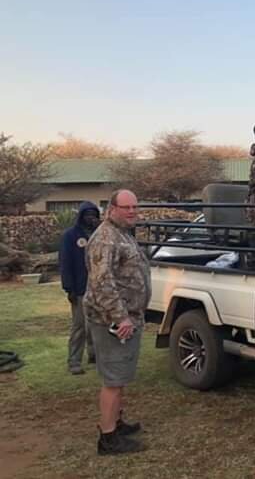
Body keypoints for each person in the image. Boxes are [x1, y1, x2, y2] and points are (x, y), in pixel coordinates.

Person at [84, 189, 150, 455]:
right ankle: (108, 438)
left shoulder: (122, 233)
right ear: (111, 208)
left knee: (120, 376)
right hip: (112, 320)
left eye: (135, 207)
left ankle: (116, 422)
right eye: (126, 207)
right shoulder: (105, 238)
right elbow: (102, 282)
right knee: (113, 379)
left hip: (129, 317)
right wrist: (120, 316)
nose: (132, 211)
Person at [59, 201, 100, 375]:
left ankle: (94, 355)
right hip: (80, 288)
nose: (90, 217)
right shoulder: (70, 235)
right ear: (81, 216)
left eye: (93, 214)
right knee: (80, 326)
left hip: (100, 288)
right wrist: (69, 289)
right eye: (87, 214)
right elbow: (65, 263)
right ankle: (74, 360)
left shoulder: (100, 235)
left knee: (97, 325)